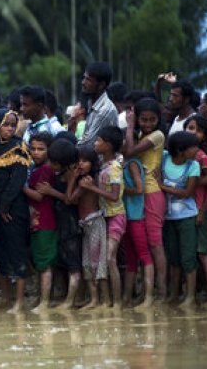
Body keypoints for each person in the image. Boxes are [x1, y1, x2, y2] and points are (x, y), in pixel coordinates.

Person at [0, 108, 31, 313]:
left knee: (16, 251)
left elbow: (17, 180)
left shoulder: (19, 147)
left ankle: (19, 301)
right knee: (0, 253)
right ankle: (5, 298)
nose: (10, 129)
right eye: (6, 124)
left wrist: (5, 204)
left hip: (13, 210)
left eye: (13, 125)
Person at [123, 97, 168, 300]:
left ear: (158, 120)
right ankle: (151, 291)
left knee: (155, 243)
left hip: (152, 193)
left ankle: (161, 291)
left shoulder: (157, 135)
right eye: (143, 119)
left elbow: (130, 152)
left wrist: (130, 125)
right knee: (147, 244)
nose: (148, 123)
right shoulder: (142, 135)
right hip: (143, 194)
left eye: (152, 119)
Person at [38, 138, 81, 309]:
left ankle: (71, 300)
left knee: (73, 265)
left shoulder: (72, 175)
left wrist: (51, 191)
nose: (51, 166)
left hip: (71, 224)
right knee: (62, 262)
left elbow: (70, 200)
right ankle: (66, 296)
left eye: (54, 163)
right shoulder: (59, 173)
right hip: (61, 223)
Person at [160, 131, 200, 308]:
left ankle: (190, 296)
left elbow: (187, 193)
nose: (197, 150)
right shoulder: (164, 158)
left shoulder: (193, 166)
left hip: (187, 217)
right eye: (193, 147)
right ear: (180, 150)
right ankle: (174, 295)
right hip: (168, 218)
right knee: (174, 259)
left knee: (188, 258)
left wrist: (162, 186)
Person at [184, 115, 207, 306]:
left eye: (197, 130)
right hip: (191, 209)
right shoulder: (190, 153)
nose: (193, 133)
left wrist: (202, 211)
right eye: (190, 128)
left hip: (201, 210)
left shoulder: (202, 156)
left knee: (203, 252)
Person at [88, 127, 126, 309]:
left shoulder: (115, 168)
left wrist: (92, 188)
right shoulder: (103, 164)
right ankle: (107, 300)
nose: (95, 143)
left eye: (98, 140)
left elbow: (114, 196)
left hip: (116, 217)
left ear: (108, 145)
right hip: (104, 217)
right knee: (105, 259)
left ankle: (117, 302)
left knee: (110, 258)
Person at [23, 132, 58, 313]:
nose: (36, 152)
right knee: (40, 263)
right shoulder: (37, 169)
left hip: (44, 222)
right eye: (33, 149)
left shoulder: (44, 171)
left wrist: (21, 186)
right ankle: (42, 299)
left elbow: (38, 195)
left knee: (44, 265)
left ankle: (44, 302)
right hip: (39, 222)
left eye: (40, 149)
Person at [69, 147, 108, 309]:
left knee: (97, 264)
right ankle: (96, 300)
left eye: (84, 161)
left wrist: (73, 178)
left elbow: (69, 199)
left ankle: (101, 300)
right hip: (86, 225)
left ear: (93, 163)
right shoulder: (84, 179)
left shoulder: (88, 181)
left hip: (95, 223)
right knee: (89, 264)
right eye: (78, 161)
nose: (80, 164)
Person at [122, 153, 154, 308]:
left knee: (144, 256)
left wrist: (122, 188)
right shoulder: (123, 164)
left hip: (135, 216)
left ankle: (148, 298)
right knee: (131, 259)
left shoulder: (132, 163)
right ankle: (127, 298)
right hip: (126, 217)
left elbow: (139, 189)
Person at [77, 62, 118, 149]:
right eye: (84, 78)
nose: (83, 82)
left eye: (88, 80)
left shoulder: (105, 110)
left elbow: (88, 144)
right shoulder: (91, 103)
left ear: (101, 85)